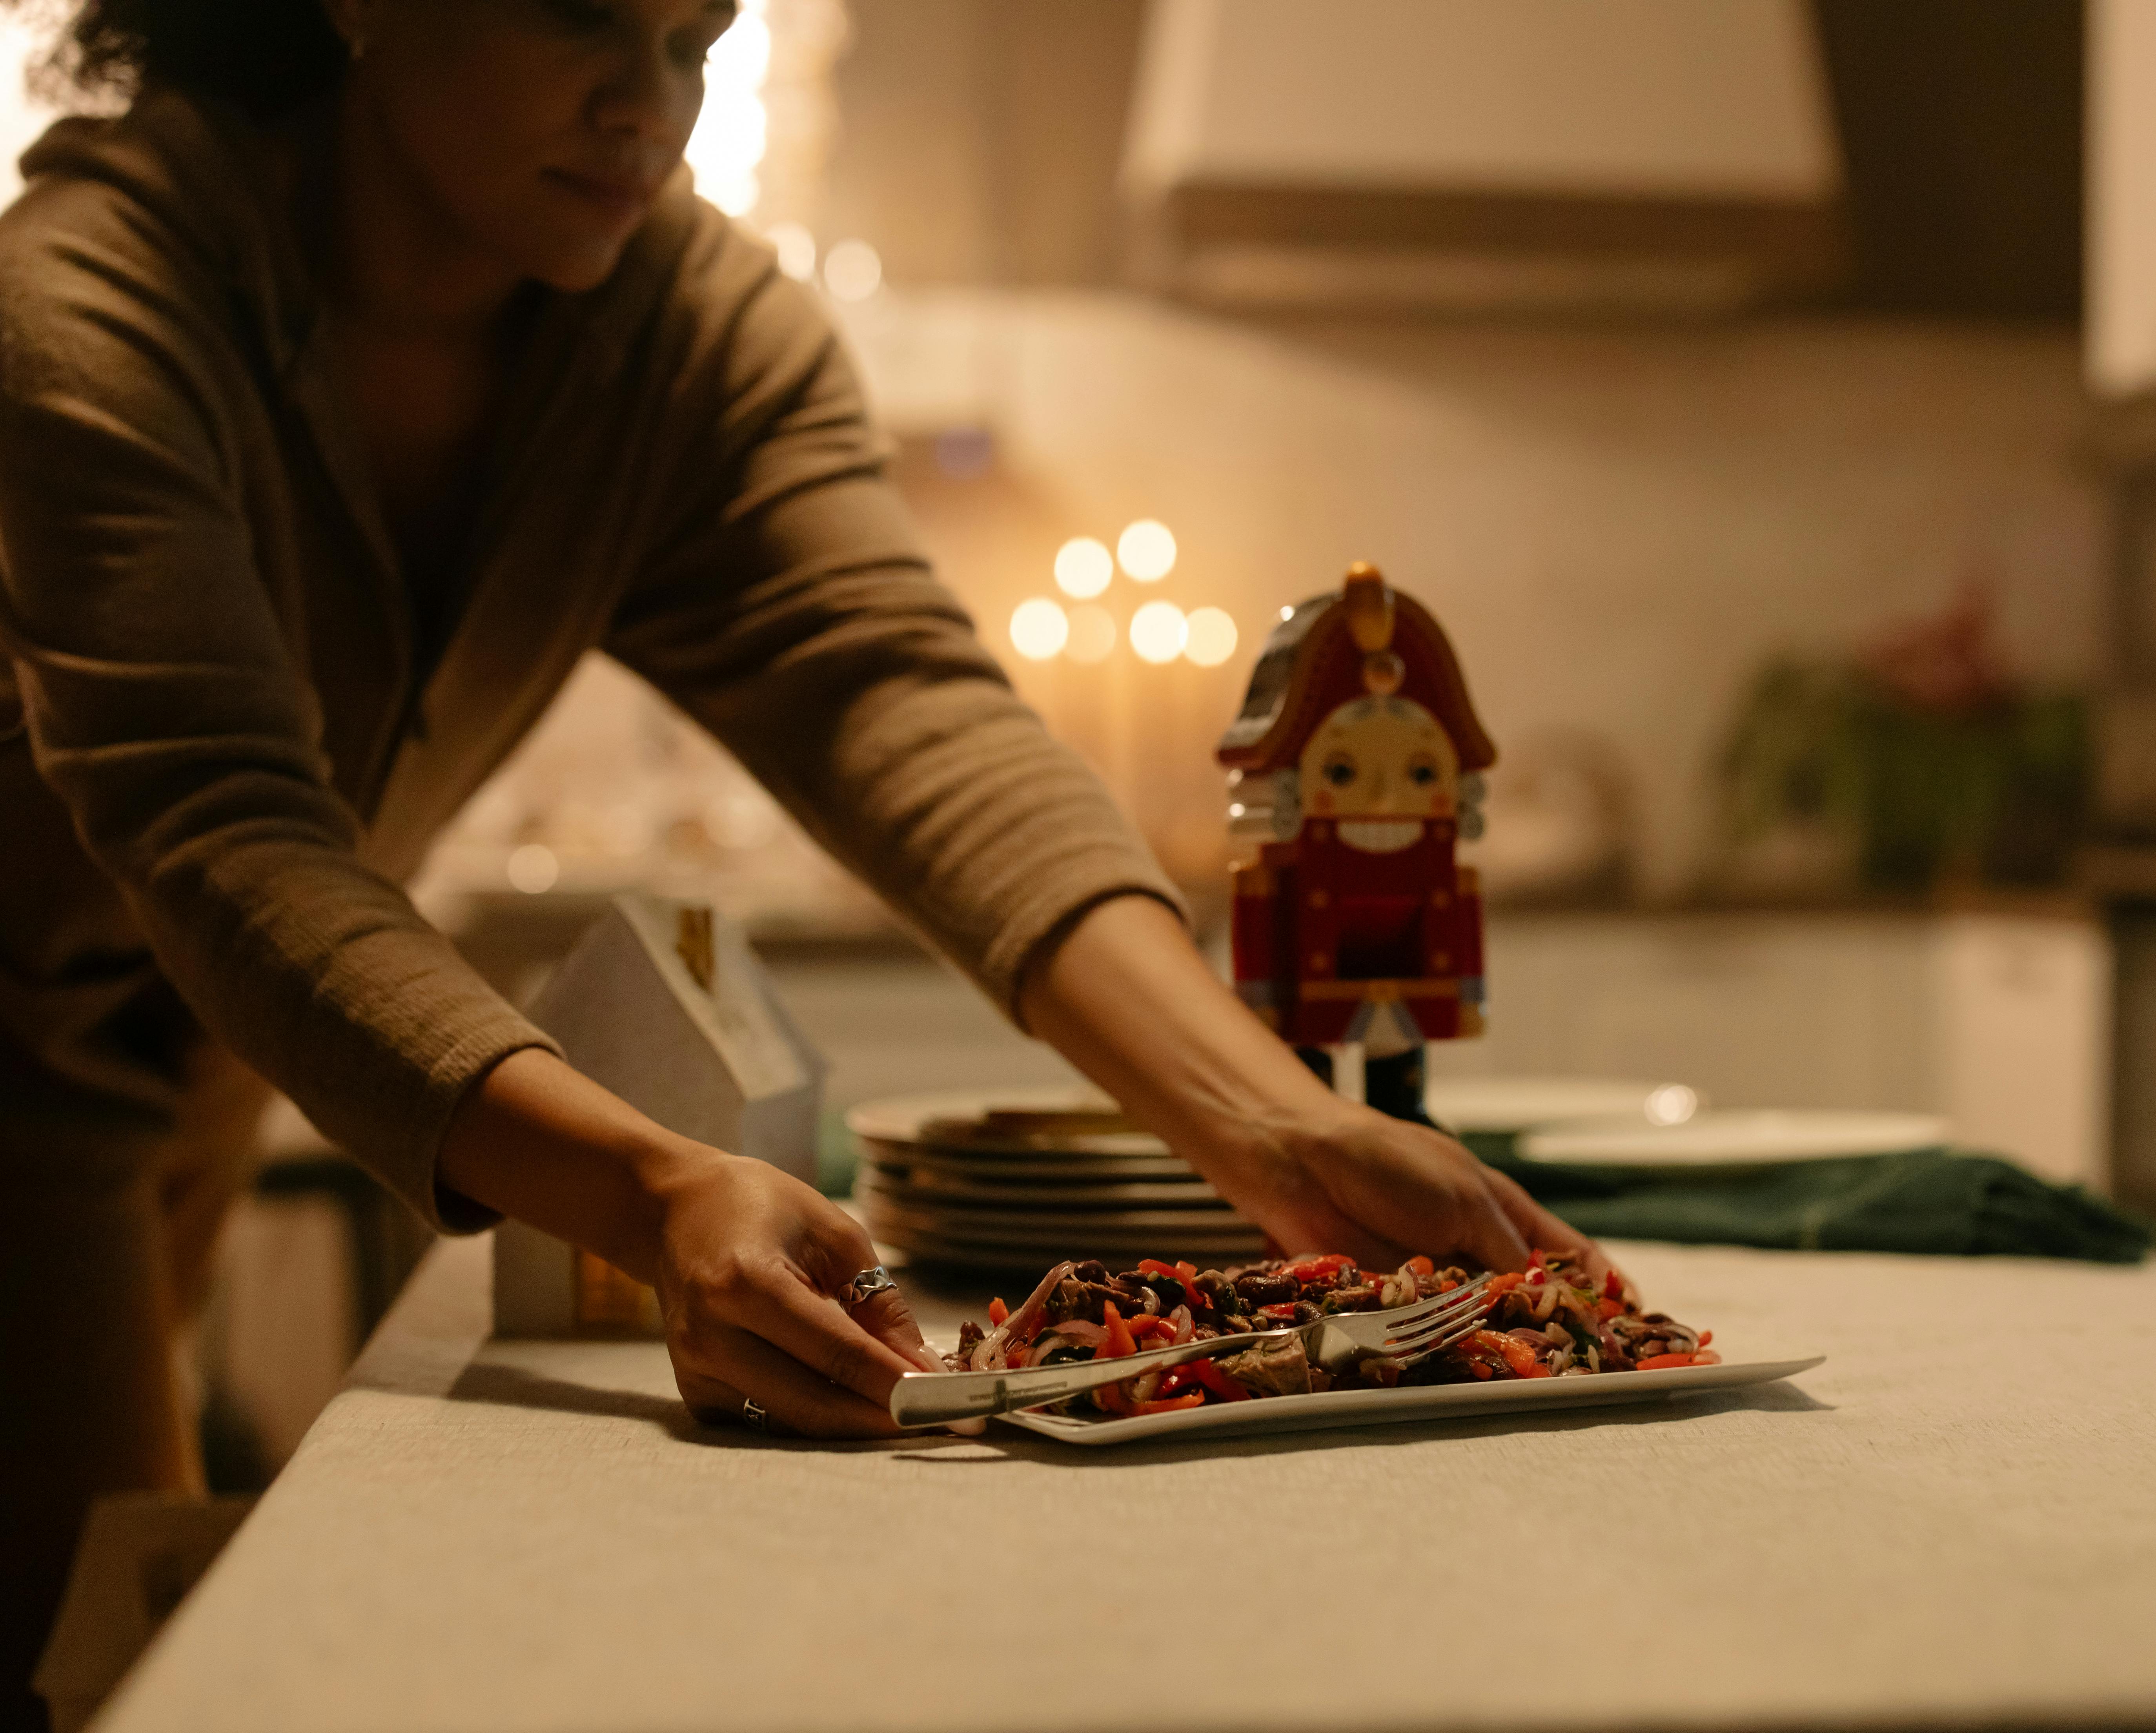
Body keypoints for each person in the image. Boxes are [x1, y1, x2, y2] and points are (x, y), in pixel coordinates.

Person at [0, 1, 1600, 1720]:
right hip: (21, 1074)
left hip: (195, 1061)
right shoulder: (88, 299)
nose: (651, 107)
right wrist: (656, 1186)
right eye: (582, 17)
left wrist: (1272, 1120)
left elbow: (903, 707)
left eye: (696, 36)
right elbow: (228, 829)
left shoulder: (682, 331)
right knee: (83, 1673)